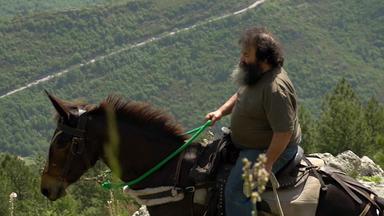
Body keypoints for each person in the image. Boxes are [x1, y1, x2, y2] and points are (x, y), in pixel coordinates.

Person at [205, 27, 302, 215]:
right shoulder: (258, 75)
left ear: (264, 59)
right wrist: (220, 112)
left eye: (247, 54)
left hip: (267, 150)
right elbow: (241, 95)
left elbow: (283, 133)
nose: (242, 59)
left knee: (236, 192)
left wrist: (267, 163)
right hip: (251, 146)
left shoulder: (275, 89)